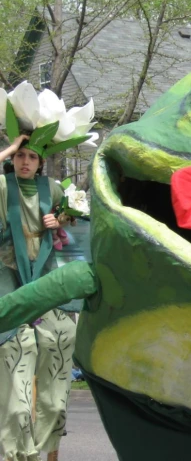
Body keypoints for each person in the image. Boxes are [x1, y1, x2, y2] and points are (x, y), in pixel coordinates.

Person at [0, 133, 76, 461]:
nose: (25, 162)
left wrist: (58, 219)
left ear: (41, 162)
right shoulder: (4, 188)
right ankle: (19, 453)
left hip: (44, 279)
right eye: (20, 156)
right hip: (10, 278)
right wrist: (9, 147)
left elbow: (73, 215)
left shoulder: (53, 189)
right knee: (18, 394)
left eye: (32, 157)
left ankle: (47, 448)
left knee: (60, 352)